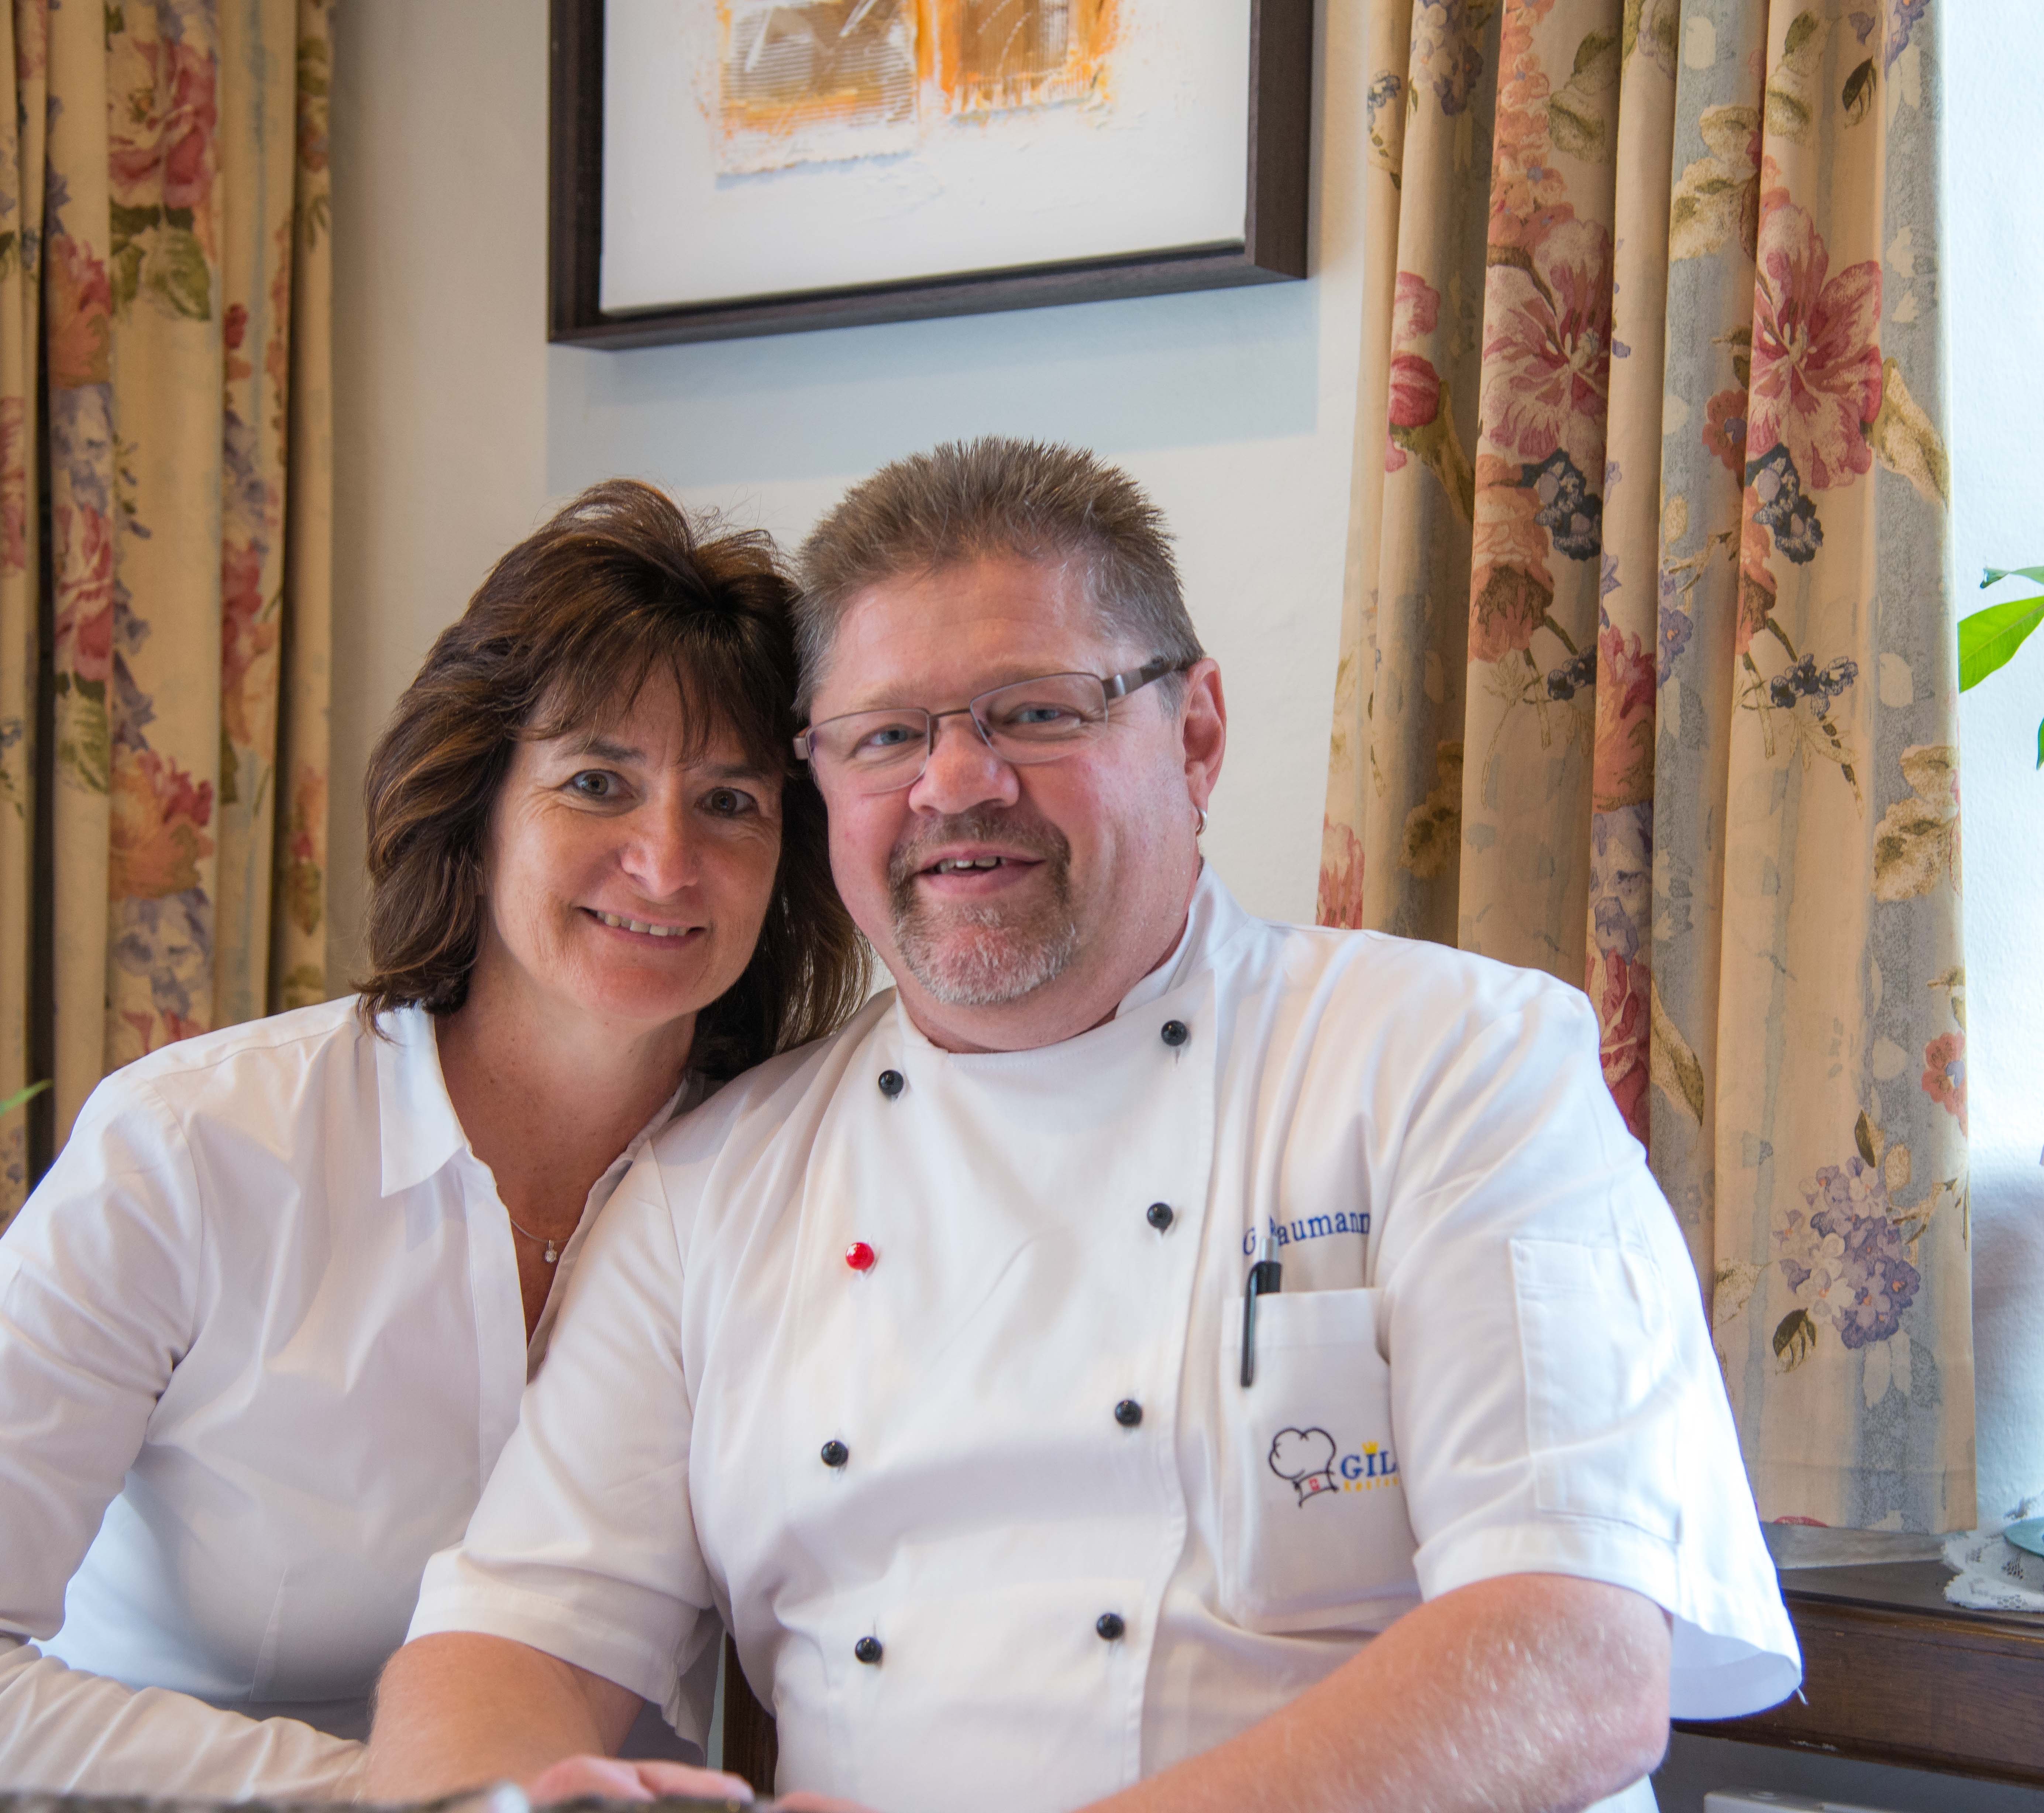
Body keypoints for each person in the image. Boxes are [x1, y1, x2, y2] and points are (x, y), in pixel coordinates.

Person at [364, 441, 1801, 1813]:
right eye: (887, 737)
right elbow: (514, 1635)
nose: (955, 782)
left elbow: (1574, 1657)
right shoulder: (711, 1185)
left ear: (1197, 734)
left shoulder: (1451, 1064)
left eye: (1038, 712)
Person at [0, 481, 864, 1796]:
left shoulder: (797, 1183)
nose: (665, 860)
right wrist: (415, 1795)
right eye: (597, 783)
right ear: (477, 808)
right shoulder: (189, 1149)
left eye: (732, 802)